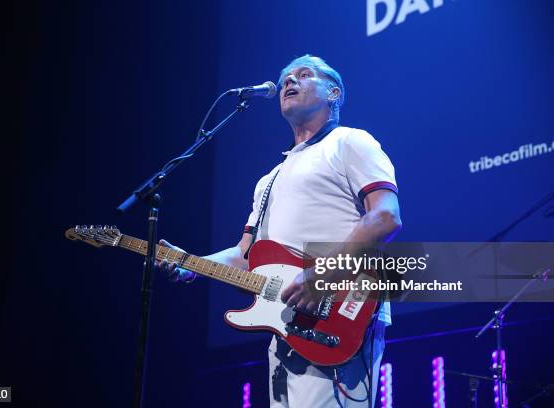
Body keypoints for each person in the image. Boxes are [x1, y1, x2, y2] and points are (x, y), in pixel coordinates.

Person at [159, 55, 401, 407]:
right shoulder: (268, 180)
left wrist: (322, 274)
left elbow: (385, 217)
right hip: (289, 321)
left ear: (334, 93)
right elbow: (246, 255)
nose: (289, 81)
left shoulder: (350, 142)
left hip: (339, 309)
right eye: (285, 77)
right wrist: (189, 262)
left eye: (304, 75)